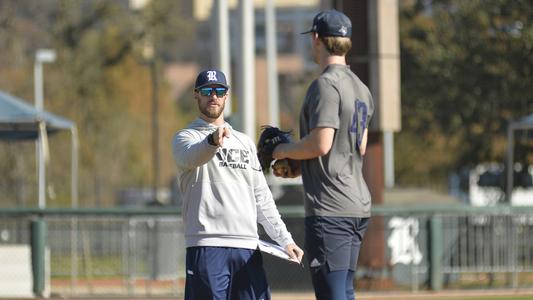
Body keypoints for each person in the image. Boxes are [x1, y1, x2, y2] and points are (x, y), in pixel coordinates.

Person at [172, 69, 304, 300]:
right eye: (207, 91)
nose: (213, 96)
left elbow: (261, 197)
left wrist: (285, 239)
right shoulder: (186, 137)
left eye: (219, 91)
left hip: (247, 246)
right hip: (208, 243)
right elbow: (193, 157)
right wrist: (212, 141)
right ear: (196, 95)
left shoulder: (244, 142)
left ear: (226, 95)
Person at [272, 9, 374, 300]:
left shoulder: (326, 85)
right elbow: (358, 147)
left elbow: (322, 144)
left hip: (331, 207)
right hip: (357, 204)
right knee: (344, 290)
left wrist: (282, 150)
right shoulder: (361, 88)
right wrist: (302, 166)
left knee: (331, 295)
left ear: (316, 38)